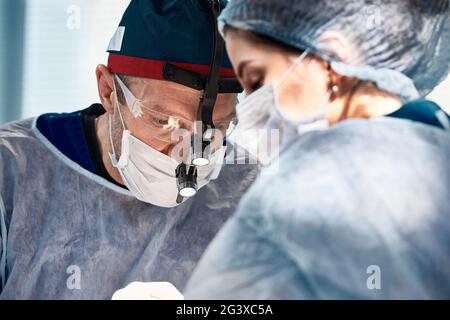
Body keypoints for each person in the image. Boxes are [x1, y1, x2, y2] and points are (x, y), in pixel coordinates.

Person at [184, 0, 450, 299]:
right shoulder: (433, 135)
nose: (252, 110)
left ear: (332, 57)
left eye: (257, 80)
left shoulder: (317, 177)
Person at [0, 0, 256, 299]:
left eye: (216, 128)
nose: (187, 153)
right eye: (165, 122)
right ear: (108, 90)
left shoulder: (253, 195)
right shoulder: (11, 174)